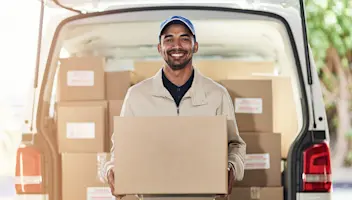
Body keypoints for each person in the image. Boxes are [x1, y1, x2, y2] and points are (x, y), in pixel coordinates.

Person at [100, 15, 246, 199]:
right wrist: (111, 170)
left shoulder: (217, 94)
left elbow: (236, 145)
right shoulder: (137, 96)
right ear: (160, 47)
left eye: (184, 38)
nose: (177, 45)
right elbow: (120, 150)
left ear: (195, 46)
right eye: (169, 39)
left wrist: (232, 168)